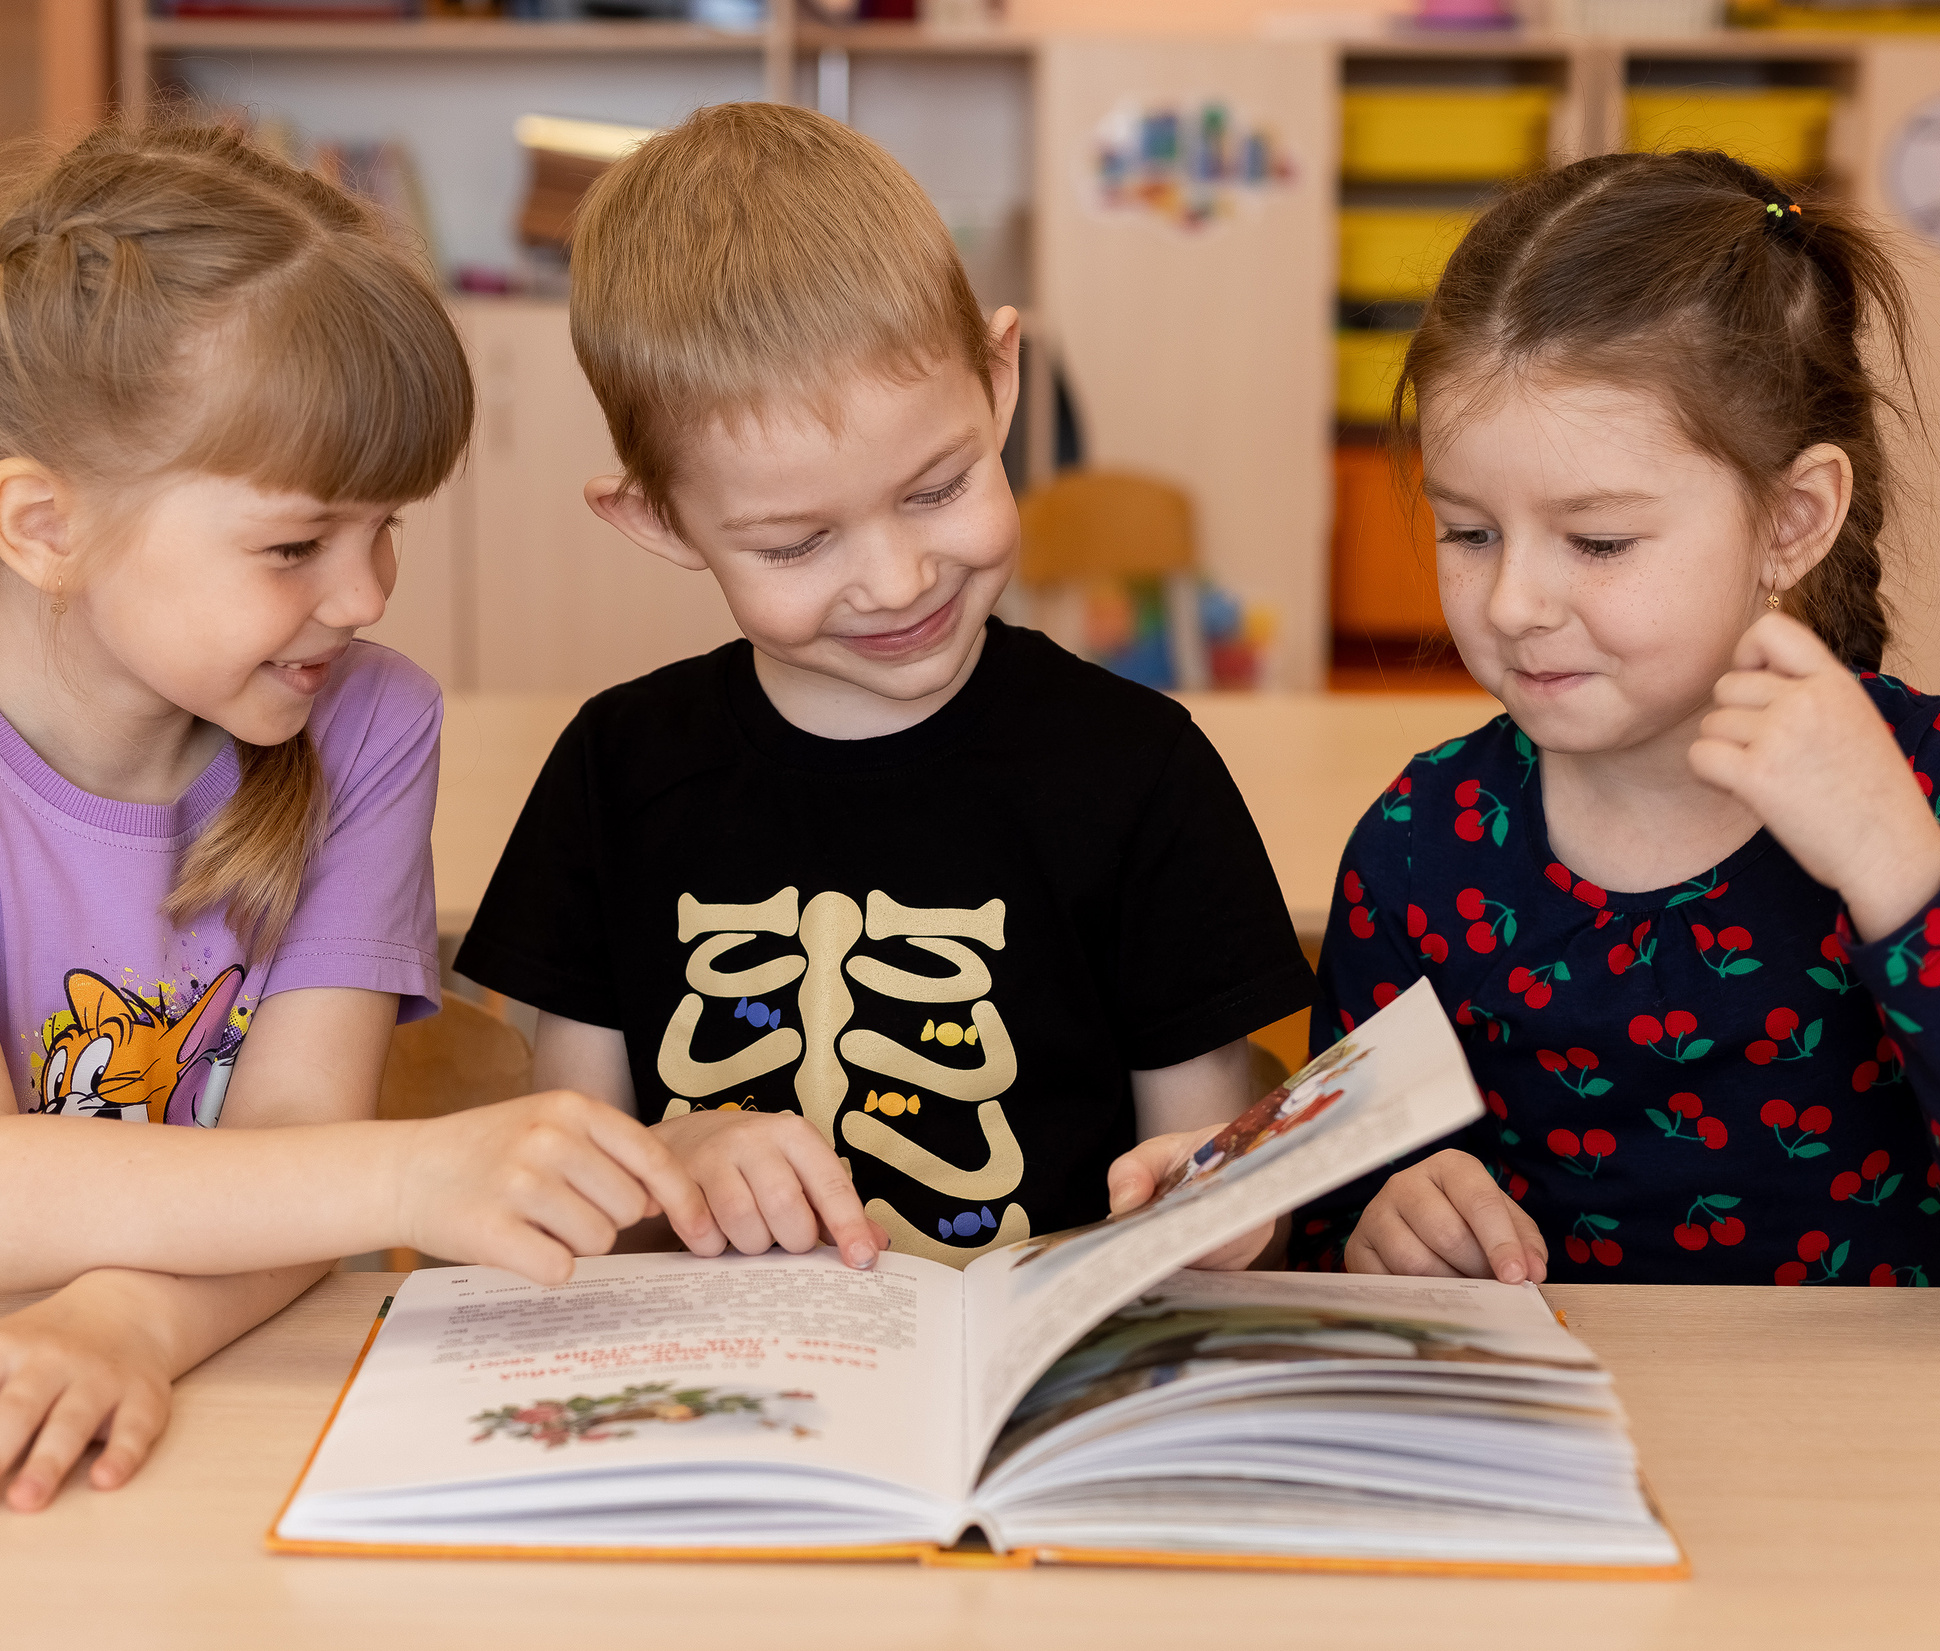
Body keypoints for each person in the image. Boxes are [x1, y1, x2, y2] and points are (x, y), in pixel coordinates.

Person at [0, 121, 714, 1516]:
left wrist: (131, 1324)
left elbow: (299, 1140)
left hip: (228, 1383)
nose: (364, 596)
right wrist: (414, 1173)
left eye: (387, 527)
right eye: (297, 545)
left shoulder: (367, 716)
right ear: (44, 524)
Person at [1291, 150, 1940, 1326]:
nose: (1510, 605)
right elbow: (1317, 1218)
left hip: (1882, 1465)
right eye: (1467, 531)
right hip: (1553, 1456)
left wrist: (1897, 874)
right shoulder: (1419, 843)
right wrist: (1378, 1224)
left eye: (1597, 541)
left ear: (1792, 520)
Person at [456, 104, 1314, 1274]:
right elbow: (564, 1212)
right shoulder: (615, 773)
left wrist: (1225, 1208)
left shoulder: (1143, 775)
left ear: (1000, 382)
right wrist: (672, 1166)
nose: (898, 580)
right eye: (797, 544)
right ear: (657, 521)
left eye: (937, 487)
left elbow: (1220, 1219)